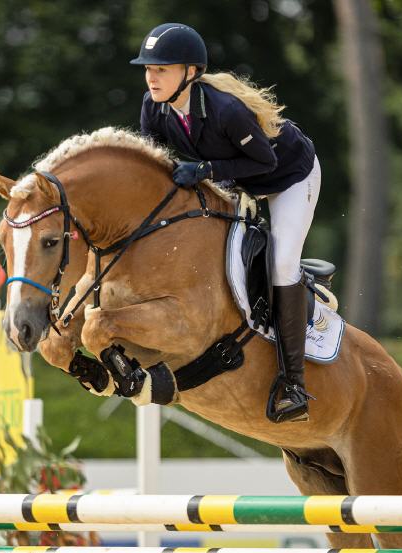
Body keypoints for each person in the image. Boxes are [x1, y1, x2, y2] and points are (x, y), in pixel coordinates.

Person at [131, 23, 321, 423]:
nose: (151, 76)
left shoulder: (226, 110)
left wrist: (205, 168)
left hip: (287, 177)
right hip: (232, 180)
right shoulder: (154, 107)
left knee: (282, 263)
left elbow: (264, 163)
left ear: (190, 73)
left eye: (162, 68)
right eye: (148, 68)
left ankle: (294, 385)